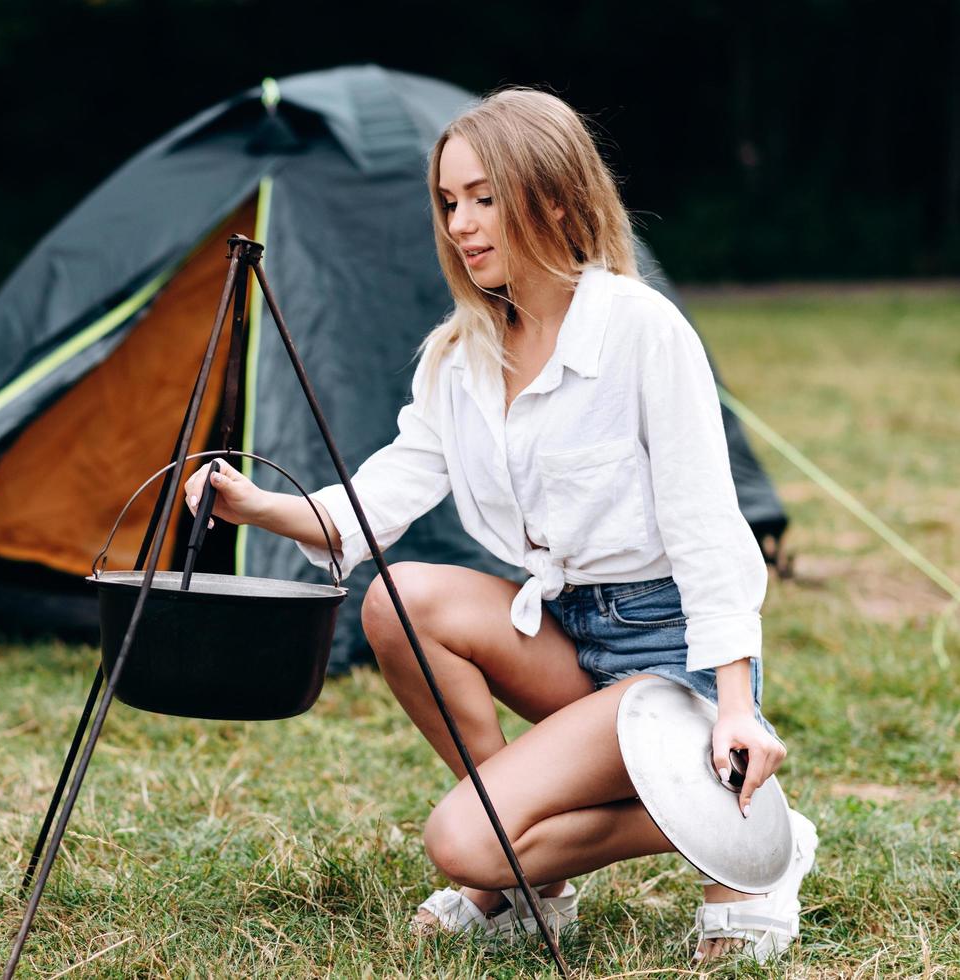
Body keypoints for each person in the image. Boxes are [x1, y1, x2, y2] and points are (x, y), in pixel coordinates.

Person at [184, 88, 817, 963]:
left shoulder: (639, 330)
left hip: (666, 653)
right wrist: (253, 505)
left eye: (483, 197)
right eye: (448, 203)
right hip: (564, 630)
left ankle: (749, 839)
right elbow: (372, 507)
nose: (462, 225)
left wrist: (736, 706)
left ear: (553, 198)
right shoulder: (461, 353)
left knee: (464, 843)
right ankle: (541, 876)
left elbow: (708, 525)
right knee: (398, 599)